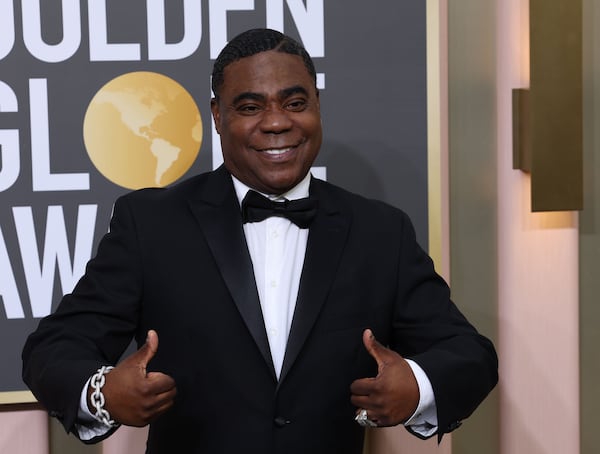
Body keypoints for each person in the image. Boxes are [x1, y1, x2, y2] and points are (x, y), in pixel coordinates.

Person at [22, 28, 497, 454]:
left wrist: (417, 387)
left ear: (316, 104)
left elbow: (469, 354)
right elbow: (54, 347)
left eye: (295, 103)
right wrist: (104, 392)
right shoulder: (152, 224)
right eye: (250, 107)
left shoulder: (380, 231)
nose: (276, 123)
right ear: (217, 115)